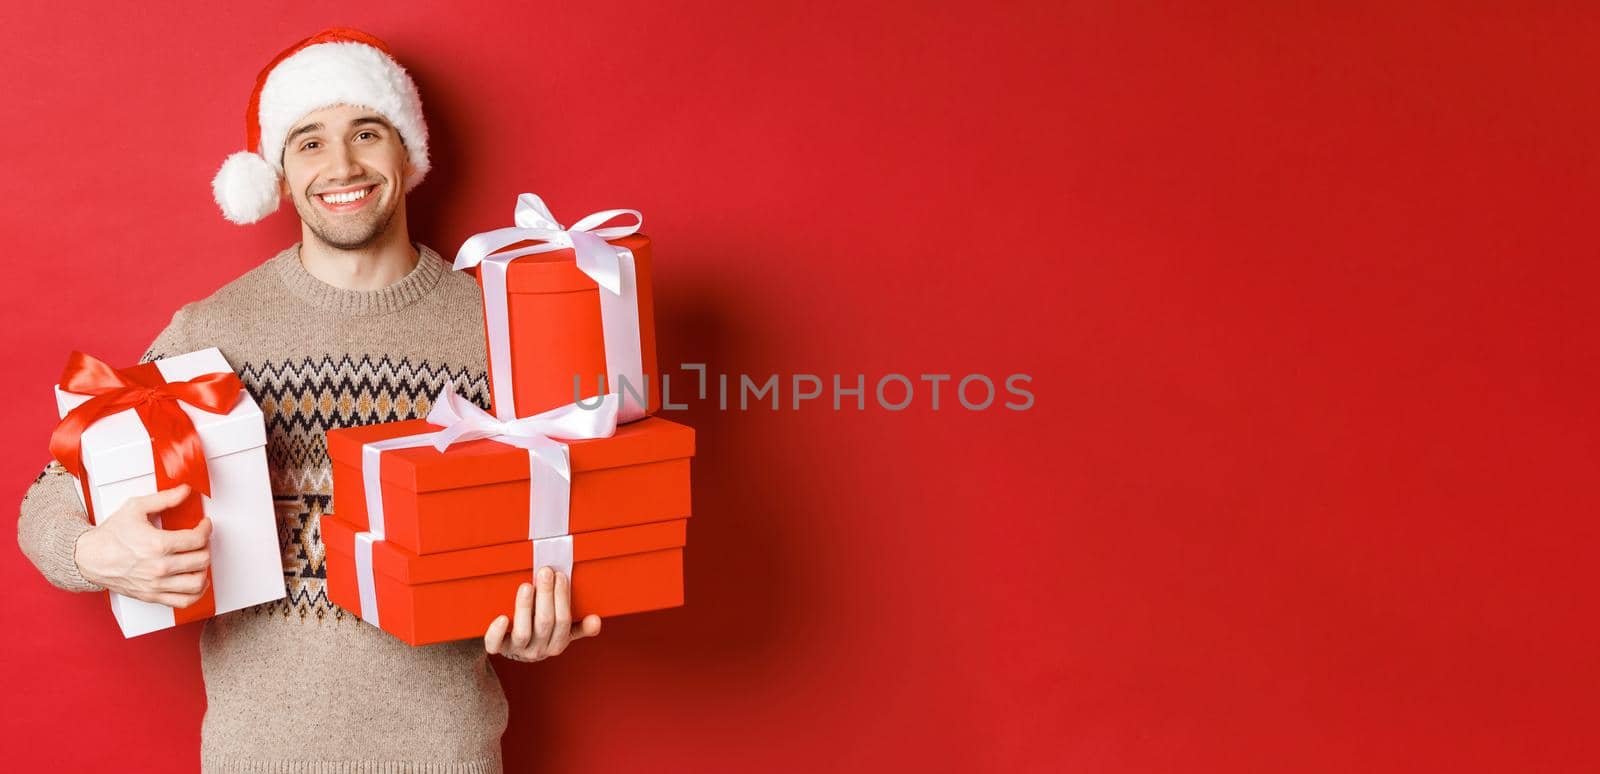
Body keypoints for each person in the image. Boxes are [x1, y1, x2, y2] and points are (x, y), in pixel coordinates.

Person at [15, 27, 597, 773]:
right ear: (280, 176)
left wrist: (548, 614)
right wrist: (98, 552)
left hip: (446, 754)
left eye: (366, 131)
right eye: (310, 142)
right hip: (254, 756)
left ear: (408, 154)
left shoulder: (498, 331)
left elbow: (566, 529)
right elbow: (47, 499)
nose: (343, 164)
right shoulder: (212, 332)